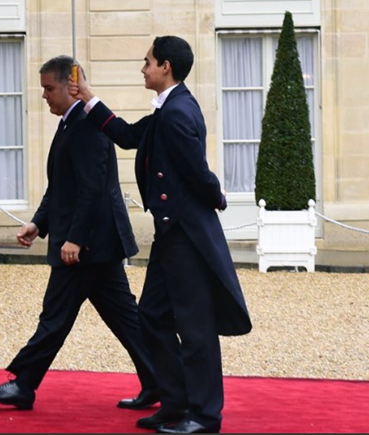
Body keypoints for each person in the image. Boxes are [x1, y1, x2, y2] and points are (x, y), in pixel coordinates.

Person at [68, 36, 253, 434]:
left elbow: (196, 171)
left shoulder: (177, 112)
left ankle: (204, 416)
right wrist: (88, 96)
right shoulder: (167, 109)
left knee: (196, 327)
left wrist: (217, 195)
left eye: (147, 61)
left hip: (186, 235)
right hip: (171, 235)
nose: (143, 67)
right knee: (151, 315)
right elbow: (128, 135)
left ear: (165, 66)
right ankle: (174, 404)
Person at [0, 55, 159, 412]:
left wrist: (76, 238)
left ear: (71, 87)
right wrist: (38, 224)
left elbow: (91, 190)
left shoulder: (87, 126)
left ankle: (23, 385)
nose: (44, 96)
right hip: (98, 245)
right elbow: (61, 187)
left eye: (49, 88)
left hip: (87, 247)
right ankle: (162, 382)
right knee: (127, 321)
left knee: (55, 318)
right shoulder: (70, 123)